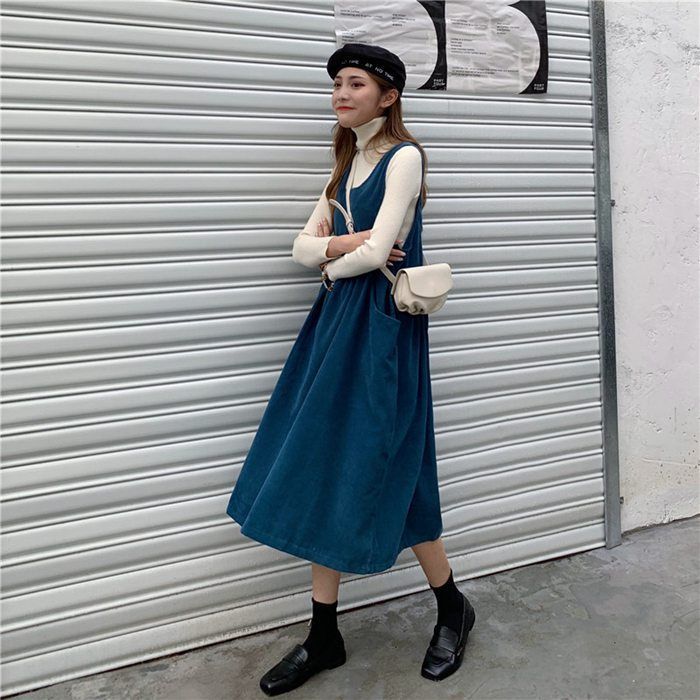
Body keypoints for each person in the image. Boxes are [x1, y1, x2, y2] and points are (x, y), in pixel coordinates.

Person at [225, 42, 476, 696]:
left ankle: (451, 606)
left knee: (390, 461)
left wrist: (334, 261)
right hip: (336, 326)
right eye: (337, 82)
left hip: (383, 331)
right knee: (324, 455)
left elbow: (377, 251)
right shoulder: (344, 163)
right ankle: (325, 633)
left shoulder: (404, 157)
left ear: (388, 96)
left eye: (356, 83)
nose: (341, 93)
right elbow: (301, 247)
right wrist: (344, 247)